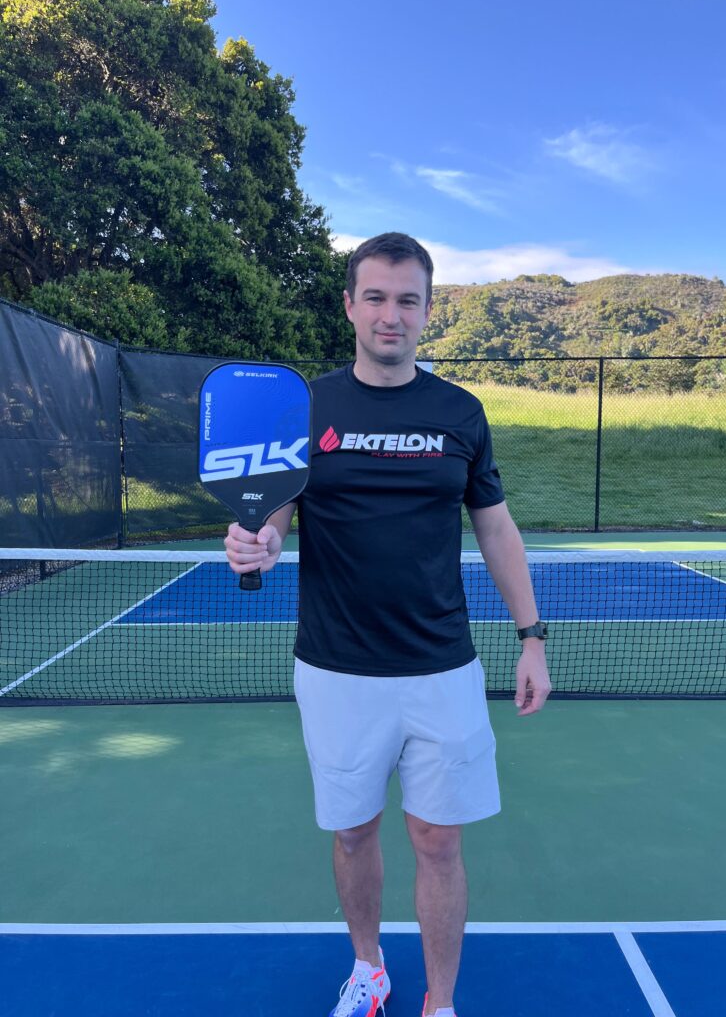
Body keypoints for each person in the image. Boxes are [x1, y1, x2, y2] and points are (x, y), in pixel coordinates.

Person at [224, 232, 551, 1017]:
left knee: (440, 841)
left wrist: (532, 636)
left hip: (442, 669)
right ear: (349, 306)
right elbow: (274, 511)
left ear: (429, 311)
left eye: (408, 299)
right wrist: (256, 543)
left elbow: (497, 529)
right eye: (375, 296)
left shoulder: (460, 414)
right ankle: (369, 968)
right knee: (353, 835)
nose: (391, 314)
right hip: (335, 671)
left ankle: (441, 1003)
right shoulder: (309, 407)